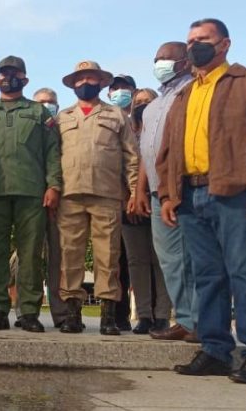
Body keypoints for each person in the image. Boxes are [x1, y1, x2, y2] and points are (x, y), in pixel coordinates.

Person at [158, 18, 246, 384]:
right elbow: (167, 151)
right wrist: (168, 194)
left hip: (234, 192)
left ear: (224, 44)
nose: (195, 46)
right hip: (191, 196)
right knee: (207, 277)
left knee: (245, 273)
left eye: (203, 39)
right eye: (190, 40)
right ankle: (214, 349)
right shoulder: (184, 94)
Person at [0, 56, 61, 333]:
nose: (7, 78)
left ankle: (28, 312)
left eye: (13, 74)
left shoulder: (40, 113)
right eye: (3, 73)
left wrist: (53, 186)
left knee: (30, 254)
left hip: (31, 193)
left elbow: (52, 152)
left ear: (24, 79)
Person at [55, 61, 138, 335]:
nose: (84, 83)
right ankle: (72, 313)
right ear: (73, 84)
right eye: (79, 79)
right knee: (70, 254)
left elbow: (131, 156)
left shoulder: (116, 116)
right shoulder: (61, 118)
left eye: (90, 78)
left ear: (101, 83)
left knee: (108, 256)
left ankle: (108, 315)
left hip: (107, 194)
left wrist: (135, 190)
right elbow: (51, 157)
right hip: (69, 194)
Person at [130, 41, 198, 343]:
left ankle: (204, 321)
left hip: (188, 187)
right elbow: (148, 150)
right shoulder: (154, 106)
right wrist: (141, 189)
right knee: (170, 259)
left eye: (166, 59)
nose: (160, 64)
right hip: (157, 191)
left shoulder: (194, 92)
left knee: (196, 257)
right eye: (156, 59)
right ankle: (185, 319)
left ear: (184, 62)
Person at [122, 88, 172, 334]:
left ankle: (162, 315)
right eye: (138, 102)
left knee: (160, 260)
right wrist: (129, 196)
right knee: (137, 262)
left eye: (147, 101)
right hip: (128, 205)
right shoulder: (127, 131)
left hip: (158, 199)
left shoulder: (162, 128)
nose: (141, 105)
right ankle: (143, 315)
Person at [32, 87, 69, 328]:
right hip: (33, 199)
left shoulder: (65, 125)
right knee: (30, 257)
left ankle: (63, 313)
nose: (47, 106)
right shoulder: (31, 127)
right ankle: (28, 312)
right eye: (42, 102)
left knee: (60, 258)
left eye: (51, 102)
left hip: (63, 200)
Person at [106, 75, 138, 331]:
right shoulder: (106, 119)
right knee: (111, 260)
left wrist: (134, 193)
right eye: (115, 89)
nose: (119, 93)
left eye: (124, 88)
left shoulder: (140, 121)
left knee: (130, 261)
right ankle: (114, 313)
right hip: (107, 198)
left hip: (132, 199)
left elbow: (134, 161)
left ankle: (128, 315)